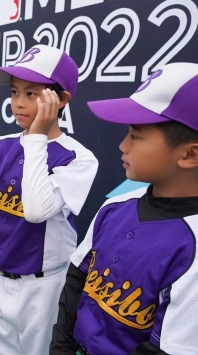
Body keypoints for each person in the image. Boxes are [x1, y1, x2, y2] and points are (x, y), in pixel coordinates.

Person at [0, 44, 98, 355]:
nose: (18, 103)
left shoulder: (78, 157)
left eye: (31, 93)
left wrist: (37, 137)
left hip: (45, 283)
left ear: (61, 99)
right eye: (14, 92)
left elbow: (37, 211)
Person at [50, 63, 198, 355]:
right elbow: (77, 280)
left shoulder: (191, 244)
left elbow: (167, 349)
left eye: (136, 135)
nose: (122, 145)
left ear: (190, 154)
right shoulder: (115, 206)